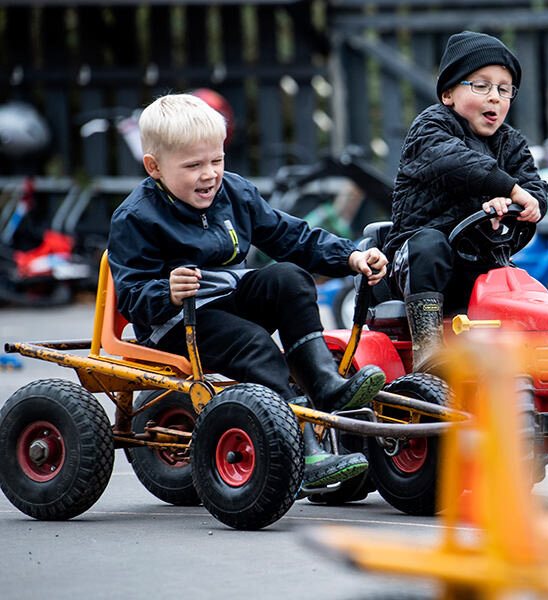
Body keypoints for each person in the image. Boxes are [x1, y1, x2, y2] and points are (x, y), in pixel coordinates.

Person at [108, 93, 389, 494]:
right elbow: (131, 293)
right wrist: (166, 291)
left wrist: (350, 256)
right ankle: (304, 451)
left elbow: (291, 236)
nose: (209, 175)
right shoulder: (136, 217)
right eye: (193, 166)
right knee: (255, 345)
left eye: (216, 160)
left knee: (289, 277)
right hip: (175, 323)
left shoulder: (234, 192)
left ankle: (324, 383)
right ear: (154, 167)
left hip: (226, 304)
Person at [382, 31, 548, 370]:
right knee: (430, 245)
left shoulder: (511, 143)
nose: (495, 97)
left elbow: (533, 186)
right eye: (482, 86)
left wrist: (524, 206)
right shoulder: (430, 129)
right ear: (448, 94)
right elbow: (456, 162)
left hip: (478, 261)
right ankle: (427, 349)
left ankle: (539, 360)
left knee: (519, 284)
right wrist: (509, 189)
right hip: (416, 266)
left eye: (504, 89)